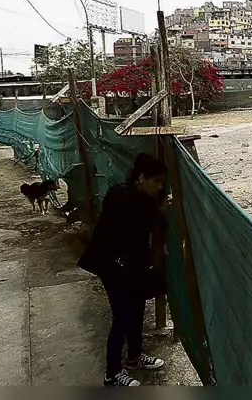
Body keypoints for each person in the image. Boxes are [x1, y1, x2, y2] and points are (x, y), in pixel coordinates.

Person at [78, 152, 170, 386]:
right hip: (110, 263)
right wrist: (156, 212)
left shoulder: (147, 199)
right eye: (156, 181)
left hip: (131, 264)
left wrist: (158, 213)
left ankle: (134, 358)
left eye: (161, 182)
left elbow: (155, 229)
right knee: (124, 315)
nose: (159, 186)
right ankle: (112, 374)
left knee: (137, 310)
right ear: (141, 177)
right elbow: (129, 230)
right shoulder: (119, 195)